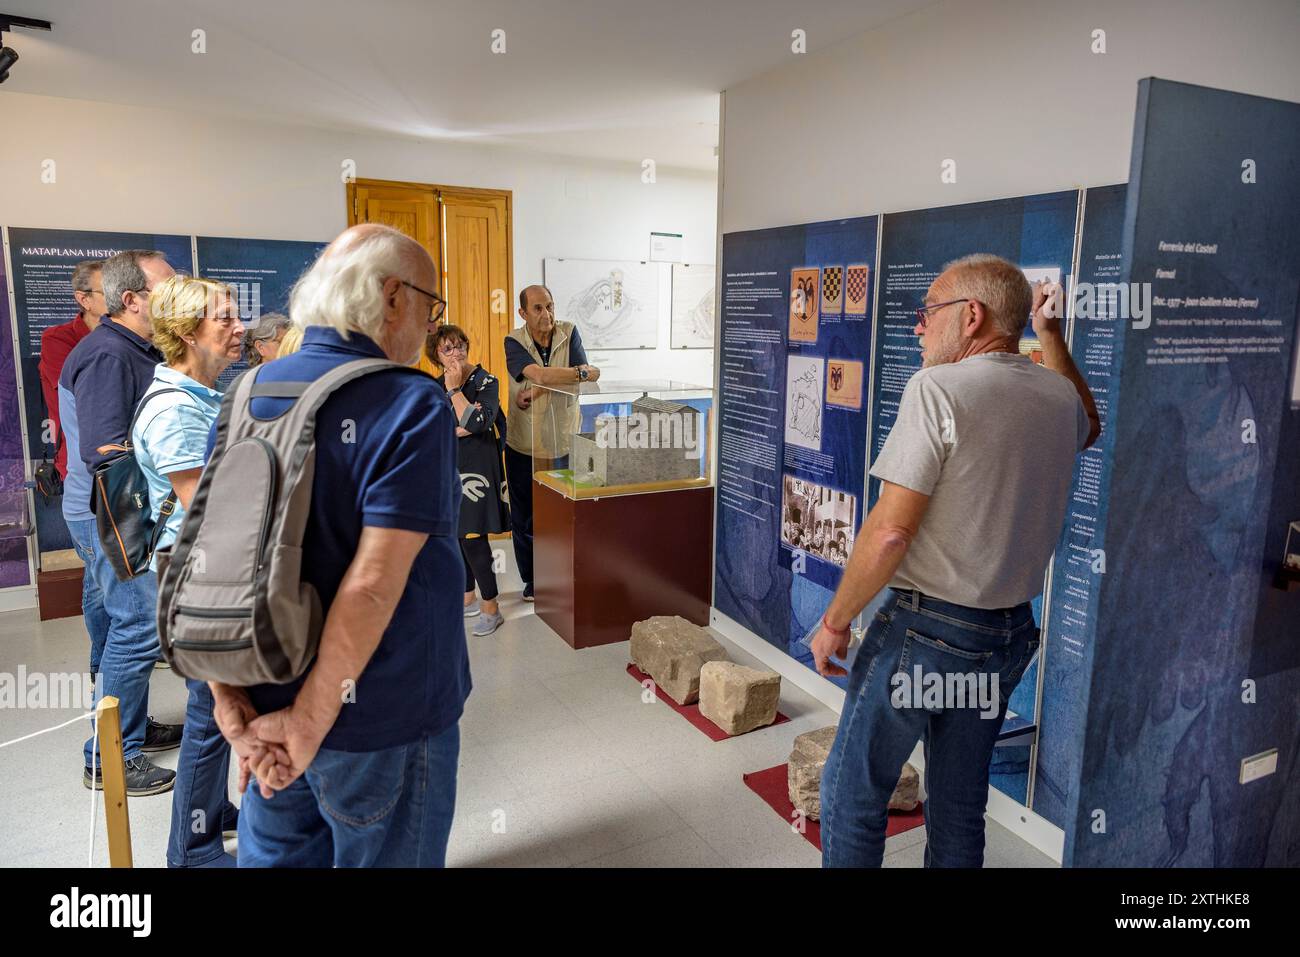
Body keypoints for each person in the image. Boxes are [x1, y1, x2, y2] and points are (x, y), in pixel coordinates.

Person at [811, 255, 1100, 868]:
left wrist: (836, 619)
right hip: (1006, 633)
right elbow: (1088, 423)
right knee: (960, 803)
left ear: (971, 316)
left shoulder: (936, 388)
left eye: (928, 313)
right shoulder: (1056, 394)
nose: (918, 328)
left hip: (924, 630)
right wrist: (1050, 335)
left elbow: (889, 533)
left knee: (852, 792)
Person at [209, 223, 470, 868]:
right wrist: (308, 722)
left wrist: (231, 706)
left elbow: (211, 562)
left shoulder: (248, 391)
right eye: (431, 306)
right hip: (379, 718)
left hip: (262, 704)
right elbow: (374, 583)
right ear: (391, 297)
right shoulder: (412, 403)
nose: (432, 329)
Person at [60, 249, 184, 796]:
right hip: (115, 517)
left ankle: (128, 728)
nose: (177, 298)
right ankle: (109, 758)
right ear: (131, 299)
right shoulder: (109, 355)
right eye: (166, 289)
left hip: (118, 514)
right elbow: (105, 451)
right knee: (134, 629)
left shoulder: (133, 347)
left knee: (120, 627)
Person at [133, 274, 245, 866]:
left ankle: (211, 810)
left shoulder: (202, 397)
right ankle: (193, 852)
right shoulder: (178, 411)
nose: (237, 326)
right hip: (198, 571)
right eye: (223, 317)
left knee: (220, 708)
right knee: (207, 712)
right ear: (185, 332)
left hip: (211, 566)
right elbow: (209, 507)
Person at [502, 284, 600, 601]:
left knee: (563, 513)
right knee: (527, 517)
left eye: (550, 306)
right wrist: (577, 373)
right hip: (524, 445)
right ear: (523, 313)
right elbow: (543, 376)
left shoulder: (569, 332)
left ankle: (560, 576)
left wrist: (566, 378)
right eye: (538, 308)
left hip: (563, 441)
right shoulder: (513, 341)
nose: (547, 314)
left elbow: (592, 374)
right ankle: (532, 580)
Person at [426, 324, 510, 637]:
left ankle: (492, 608)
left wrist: (455, 393)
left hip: (479, 467)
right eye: (448, 348)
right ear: (436, 354)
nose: (456, 352)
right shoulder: (434, 384)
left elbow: (478, 421)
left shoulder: (485, 380)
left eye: (460, 345)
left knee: (473, 536)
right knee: (456, 534)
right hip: (449, 466)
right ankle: (467, 597)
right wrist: (463, 422)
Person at [39, 260, 104, 481]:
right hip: (82, 465)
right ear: (84, 299)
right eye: (109, 290)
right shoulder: (58, 339)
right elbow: (87, 394)